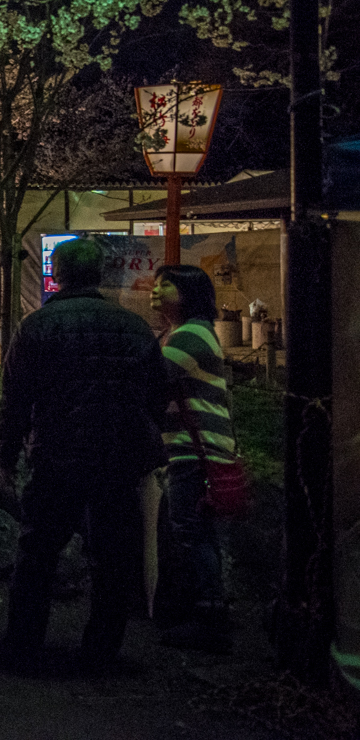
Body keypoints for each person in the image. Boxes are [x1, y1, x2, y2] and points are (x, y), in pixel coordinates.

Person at [0, 237, 169, 671]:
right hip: (118, 458)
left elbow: (15, 401)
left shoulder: (37, 327)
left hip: (57, 454)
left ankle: (24, 644)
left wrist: (5, 458)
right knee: (113, 559)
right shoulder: (135, 327)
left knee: (38, 554)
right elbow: (156, 397)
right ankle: (101, 650)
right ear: (101, 275)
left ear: (57, 274)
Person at [151, 264, 237, 654]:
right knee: (192, 533)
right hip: (196, 450)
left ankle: (209, 618)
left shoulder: (188, 336)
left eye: (166, 284)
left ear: (189, 294)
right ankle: (198, 610)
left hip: (193, 451)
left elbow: (150, 383)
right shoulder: (189, 332)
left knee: (193, 534)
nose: (155, 291)